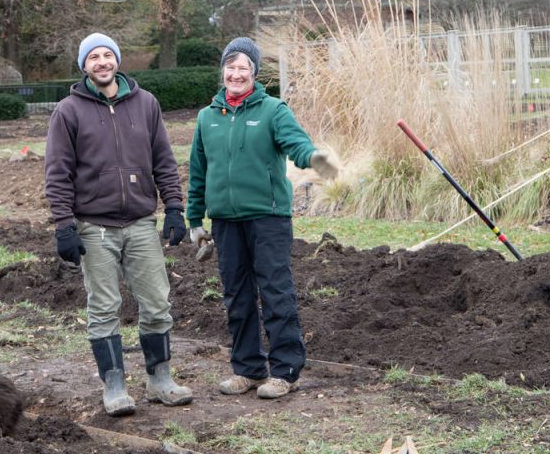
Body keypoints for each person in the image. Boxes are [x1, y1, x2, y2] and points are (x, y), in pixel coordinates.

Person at [44, 32, 193, 416]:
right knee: (104, 306)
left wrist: (174, 207)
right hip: (94, 226)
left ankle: (160, 379)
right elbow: (57, 173)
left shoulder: (146, 104)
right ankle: (114, 385)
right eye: (93, 57)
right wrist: (64, 225)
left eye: (107, 55)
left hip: (141, 222)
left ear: (117, 60)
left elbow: (163, 159)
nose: (102, 62)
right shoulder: (68, 111)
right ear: (84, 66)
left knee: (157, 302)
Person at [186, 37, 338, 400]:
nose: (236, 74)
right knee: (236, 296)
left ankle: (285, 372)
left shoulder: (273, 110)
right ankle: (248, 369)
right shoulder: (208, 117)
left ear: (253, 73)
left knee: (275, 292)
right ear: (223, 71)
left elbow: (295, 142)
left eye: (244, 68)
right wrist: (195, 220)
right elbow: (198, 171)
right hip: (225, 221)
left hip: (268, 218)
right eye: (231, 67)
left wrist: (312, 158)